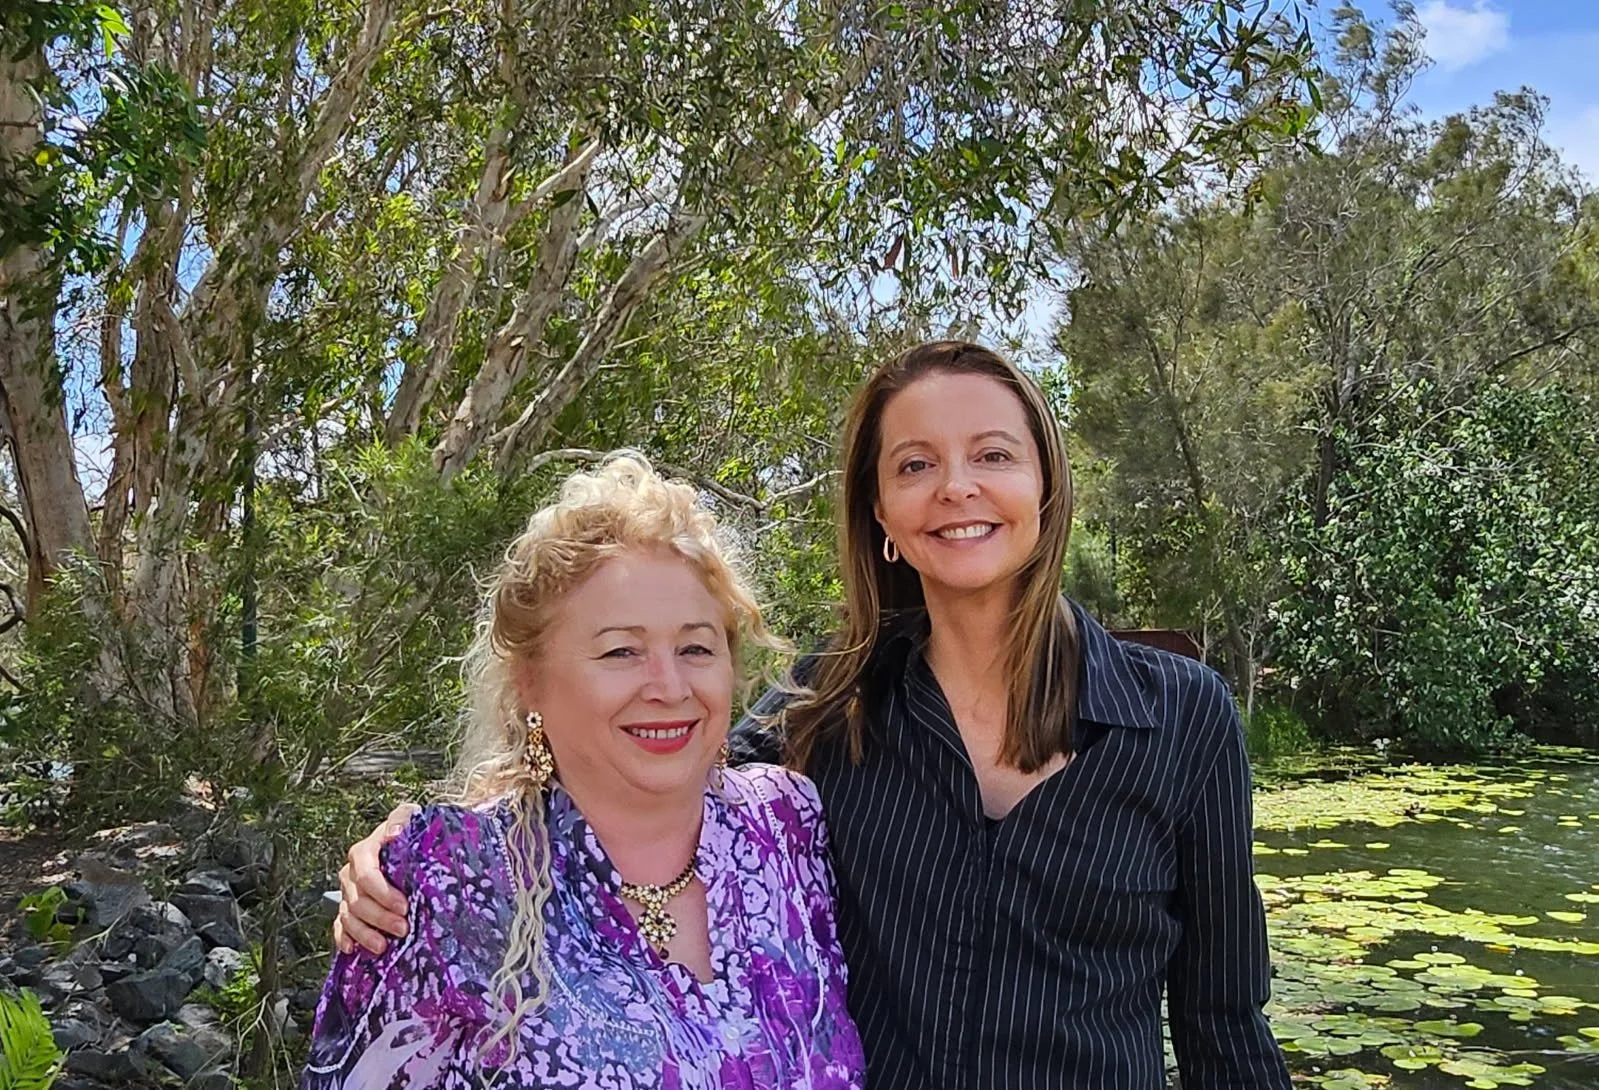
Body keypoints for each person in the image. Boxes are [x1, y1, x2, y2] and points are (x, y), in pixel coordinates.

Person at [336, 342, 1289, 1090]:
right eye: (915, 464)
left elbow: (1221, 1023)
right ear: (880, 510)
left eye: (992, 455)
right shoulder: (827, 703)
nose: (957, 487)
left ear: (1044, 485)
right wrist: (422, 851)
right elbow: (647, 760)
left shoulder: (1182, 717)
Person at [302, 455, 865, 1089]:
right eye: (621, 650)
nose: (669, 686)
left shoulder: (785, 824)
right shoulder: (450, 881)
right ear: (530, 680)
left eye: (696, 648)